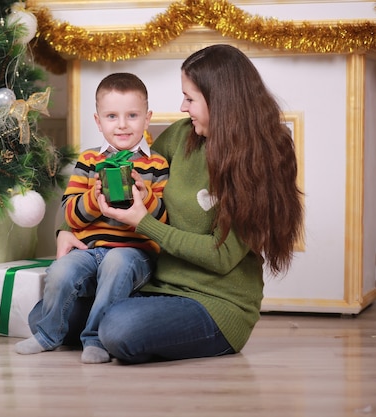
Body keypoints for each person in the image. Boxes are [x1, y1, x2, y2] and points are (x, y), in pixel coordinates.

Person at [28, 44, 304, 364]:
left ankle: (116, 326)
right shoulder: (183, 135)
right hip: (156, 285)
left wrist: (143, 222)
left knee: (117, 328)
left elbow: (222, 257)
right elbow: (130, 173)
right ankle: (111, 324)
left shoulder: (261, 159)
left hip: (214, 302)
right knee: (42, 317)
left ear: (221, 101)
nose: (182, 106)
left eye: (190, 98)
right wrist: (65, 228)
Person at [14, 72, 170, 364]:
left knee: (117, 262)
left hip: (134, 253)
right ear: (98, 121)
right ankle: (48, 334)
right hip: (92, 250)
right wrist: (94, 199)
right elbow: (70, 215)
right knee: (61, 270)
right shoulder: (89, 161)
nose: (122, 124)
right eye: (112, 116)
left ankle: (96, 338)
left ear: (147, 119)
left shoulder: (157, 165)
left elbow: (164, 219)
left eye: (132, 115)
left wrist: (145, 195)